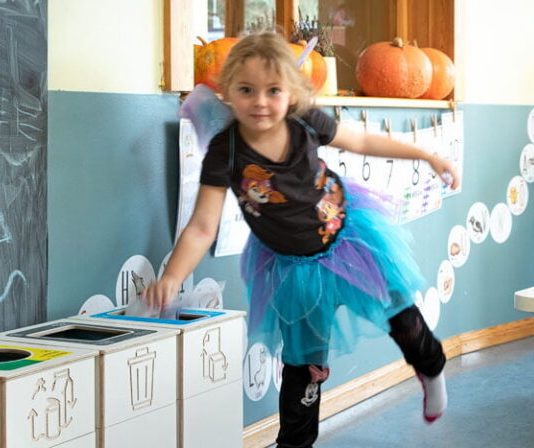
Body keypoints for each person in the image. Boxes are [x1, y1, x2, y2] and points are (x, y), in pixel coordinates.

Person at [144, 31, 459, 447]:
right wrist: (172, 275)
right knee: (302, 365)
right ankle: (294, 443)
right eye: (247, 90)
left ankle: (431, 368)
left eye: (273, 90)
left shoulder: (307, 121)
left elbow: (362, 140)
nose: (260, 101)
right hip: (292, 268)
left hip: (350, 240)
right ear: (228, 92)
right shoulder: (226, 150)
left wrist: (427, 155)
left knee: (400, 311)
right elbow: (203, 226)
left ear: (291, 93)